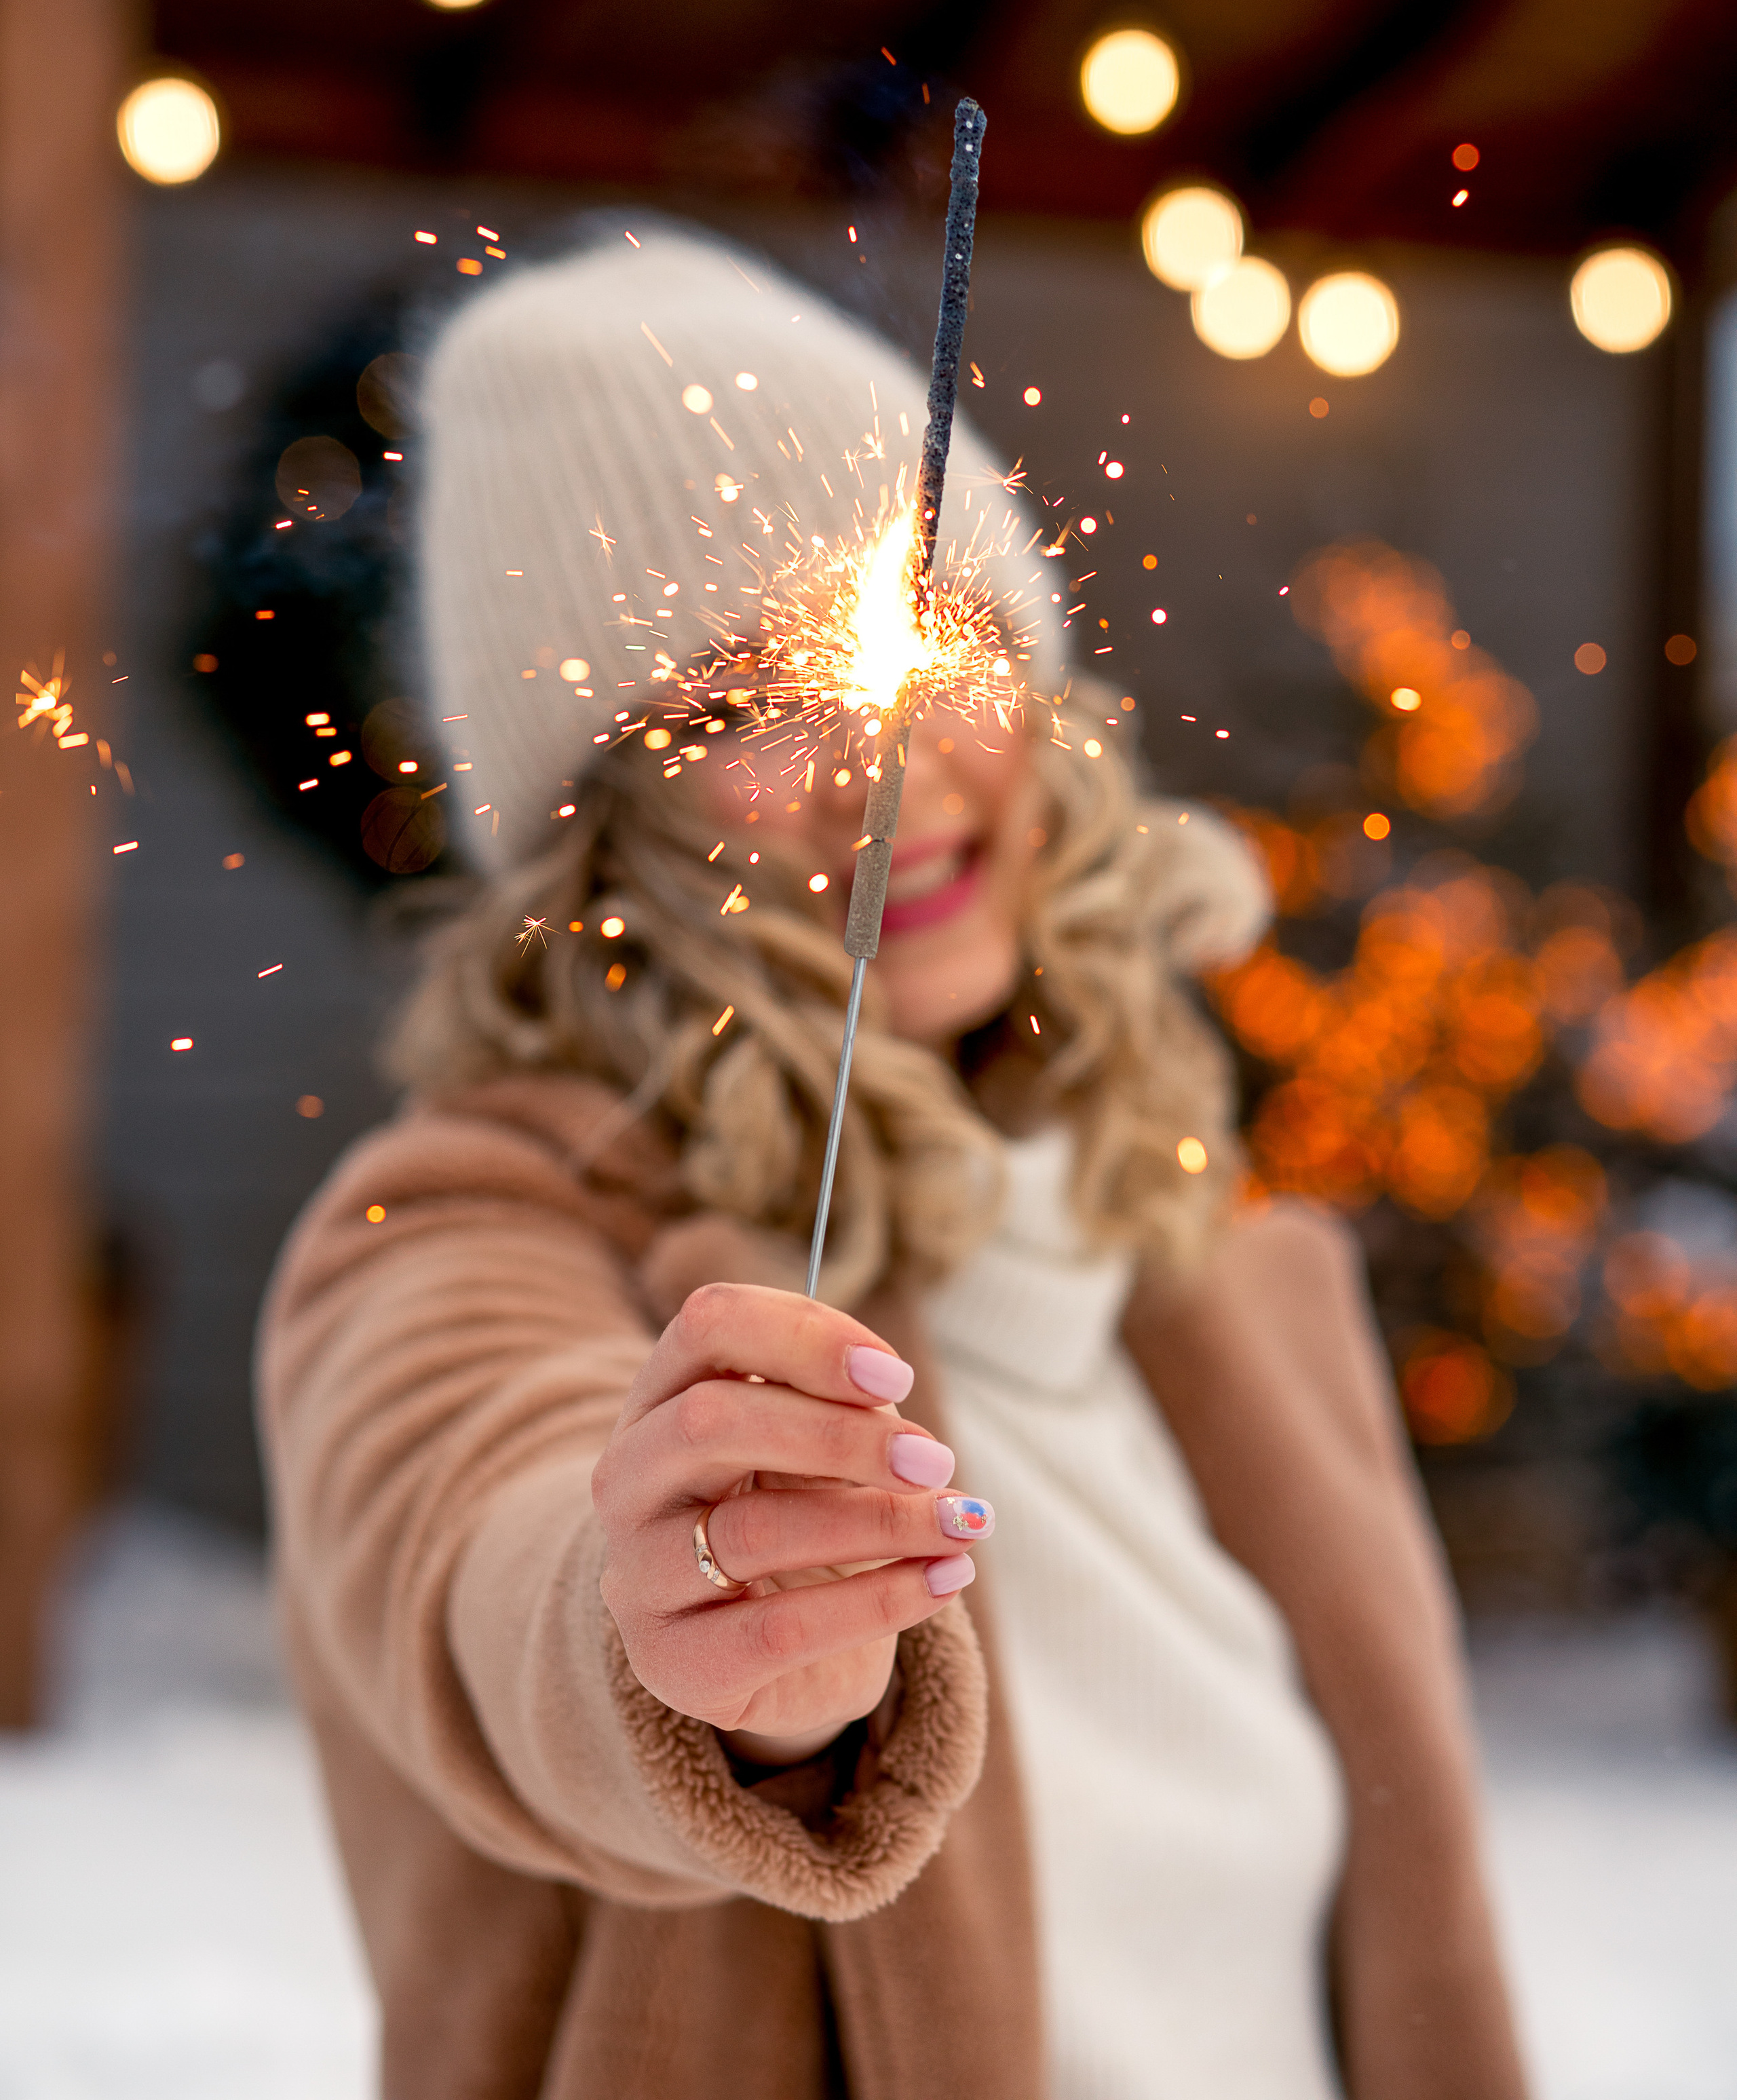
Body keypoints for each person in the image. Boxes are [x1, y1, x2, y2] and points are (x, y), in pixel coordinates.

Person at [259, 226, 1529, 2100]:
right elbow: (470, 1533)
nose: (894, 768)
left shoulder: (1205, 1248)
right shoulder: (462, 1223)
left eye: (924, 644)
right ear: (602, 817)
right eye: (747, 707)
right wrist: (665, 1623)